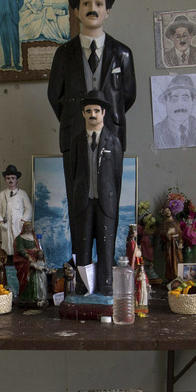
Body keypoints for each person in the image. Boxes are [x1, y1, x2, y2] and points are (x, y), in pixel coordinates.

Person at [47, 0, 137, 157]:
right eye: (86, 4)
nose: (92, 9)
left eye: (99, 4)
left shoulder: (122, 53)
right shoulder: (64, 54)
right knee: (76, 184)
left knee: (109, 184)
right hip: (73, 135)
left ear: (107, 11)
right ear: (76, 11)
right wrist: (74, 117)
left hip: (112, 133)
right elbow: (55, 95)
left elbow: (128, 95)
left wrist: (107, 115)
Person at [64, 90, 124, 296]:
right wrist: (77, 197)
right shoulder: (77, 142)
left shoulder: (113, 142)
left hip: (105, 202)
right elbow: (72, 174)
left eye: (96, 111)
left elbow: (117, 177)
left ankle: (106, 282)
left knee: (107, 244)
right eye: (88, 110)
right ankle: (83, 283)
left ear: (104, 113)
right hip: (83, 202)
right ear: (82, 114)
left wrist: (112, 201)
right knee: (83, 243)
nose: (92, 115)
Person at [154, 74, 196, 149]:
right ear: (165, 102)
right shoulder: (156, 132)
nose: (180, 105)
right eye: (173, 99)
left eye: (185, 99)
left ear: (193, 101)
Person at [0, 164, 33, 252]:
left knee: (18, 245)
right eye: (8, 178)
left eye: (13, 178)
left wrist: (23, 221)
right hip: (6, 225)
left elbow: (28, 209)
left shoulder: (22, 193)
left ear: (17, 179)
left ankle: (19, 258)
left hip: (18, 225)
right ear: (5, 179)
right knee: (7, 245)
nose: (10, 180)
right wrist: (1, 222)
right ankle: (8, 258)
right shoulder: (2, 194)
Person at [13, 221, 47, 307]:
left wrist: (38, 253)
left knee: (39, 271)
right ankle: (26, 297)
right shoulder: (20, 238)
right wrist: (28, 257)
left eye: (30, 227)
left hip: (35, 258)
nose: (29, 229)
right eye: (27, 228)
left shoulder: (33, 237)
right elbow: (20, 250)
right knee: (29, 269)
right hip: (24, 259)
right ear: (24, 228)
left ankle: (38, 295)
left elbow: (37, 248)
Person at [158, 206, 183, 282]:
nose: (167, 212)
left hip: (176, 243)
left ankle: (179, 277)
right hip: (169, 244)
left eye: (168, 210)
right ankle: (171, 278)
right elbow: (161, 234)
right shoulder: (164, 223)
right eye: (165, 211)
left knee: (178, 259)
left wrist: (181, 242)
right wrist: (167, 233)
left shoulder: (176, 221)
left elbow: (180, 232)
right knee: (169, 261)